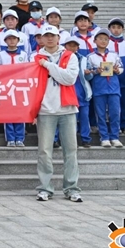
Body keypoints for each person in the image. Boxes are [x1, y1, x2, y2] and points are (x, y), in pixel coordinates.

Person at [34, 25, 82, 202]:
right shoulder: (35, 58)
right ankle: (45, 188)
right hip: (45, 109)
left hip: (67, 108)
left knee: (71, 150)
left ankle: (71, 188)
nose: (49, 38)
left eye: (52, 35)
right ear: (41, 38)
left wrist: (48, 65)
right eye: (46, 36)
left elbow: (69, 79)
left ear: (58, 38)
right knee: (44, 151)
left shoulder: (70, 56)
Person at [87, 28, 123, 148]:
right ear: (95, 40)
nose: (103, 41)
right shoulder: (90, 56)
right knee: (100, 114)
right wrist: (95, 71)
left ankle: (115, 137)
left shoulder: (114, 55)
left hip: (114, 88)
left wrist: (117, 70)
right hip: (99, 89)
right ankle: (104, 137)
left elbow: (121, 68)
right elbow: (88, 73)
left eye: (106, 39)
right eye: (100, 39)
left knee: (115, 113)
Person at [0, 30, 31, 146]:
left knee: (20, 112)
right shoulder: (0, 55)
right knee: (8, 113)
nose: (12, 41)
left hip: (20, 87)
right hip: (6, 87)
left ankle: (19, 138)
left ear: (18, 40)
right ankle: (10, 138)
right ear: (5, 41)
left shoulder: (23, 54)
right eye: (9, 39)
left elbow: (27, 70)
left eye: (14, 38)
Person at [107, 18, 125, 136]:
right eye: (113, 27)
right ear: (109, 29)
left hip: (124, 78)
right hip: (111, 77)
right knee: (113, 103)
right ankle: (115, 125)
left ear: (123, 29)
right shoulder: (106, 42)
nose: (116, 30)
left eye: (119, 28)